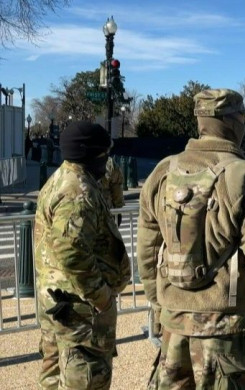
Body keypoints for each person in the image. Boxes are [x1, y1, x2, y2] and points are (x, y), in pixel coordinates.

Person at [137, 89, 245, 389]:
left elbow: (147, 250)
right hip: (225, 326)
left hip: (173, 319)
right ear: (231, 122)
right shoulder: (244, 175)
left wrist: (159, 303)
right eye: (243, 117)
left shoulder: (163, 171)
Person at [34, 120, 131, 390]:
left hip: (59, 304)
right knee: (84, 378)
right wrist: (101, 298)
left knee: (54, 378)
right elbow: (71, 251)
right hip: (80, 314)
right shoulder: (79, 191)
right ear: (93, 155)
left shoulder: (59, 180)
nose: (107, 163)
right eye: (105, 155)